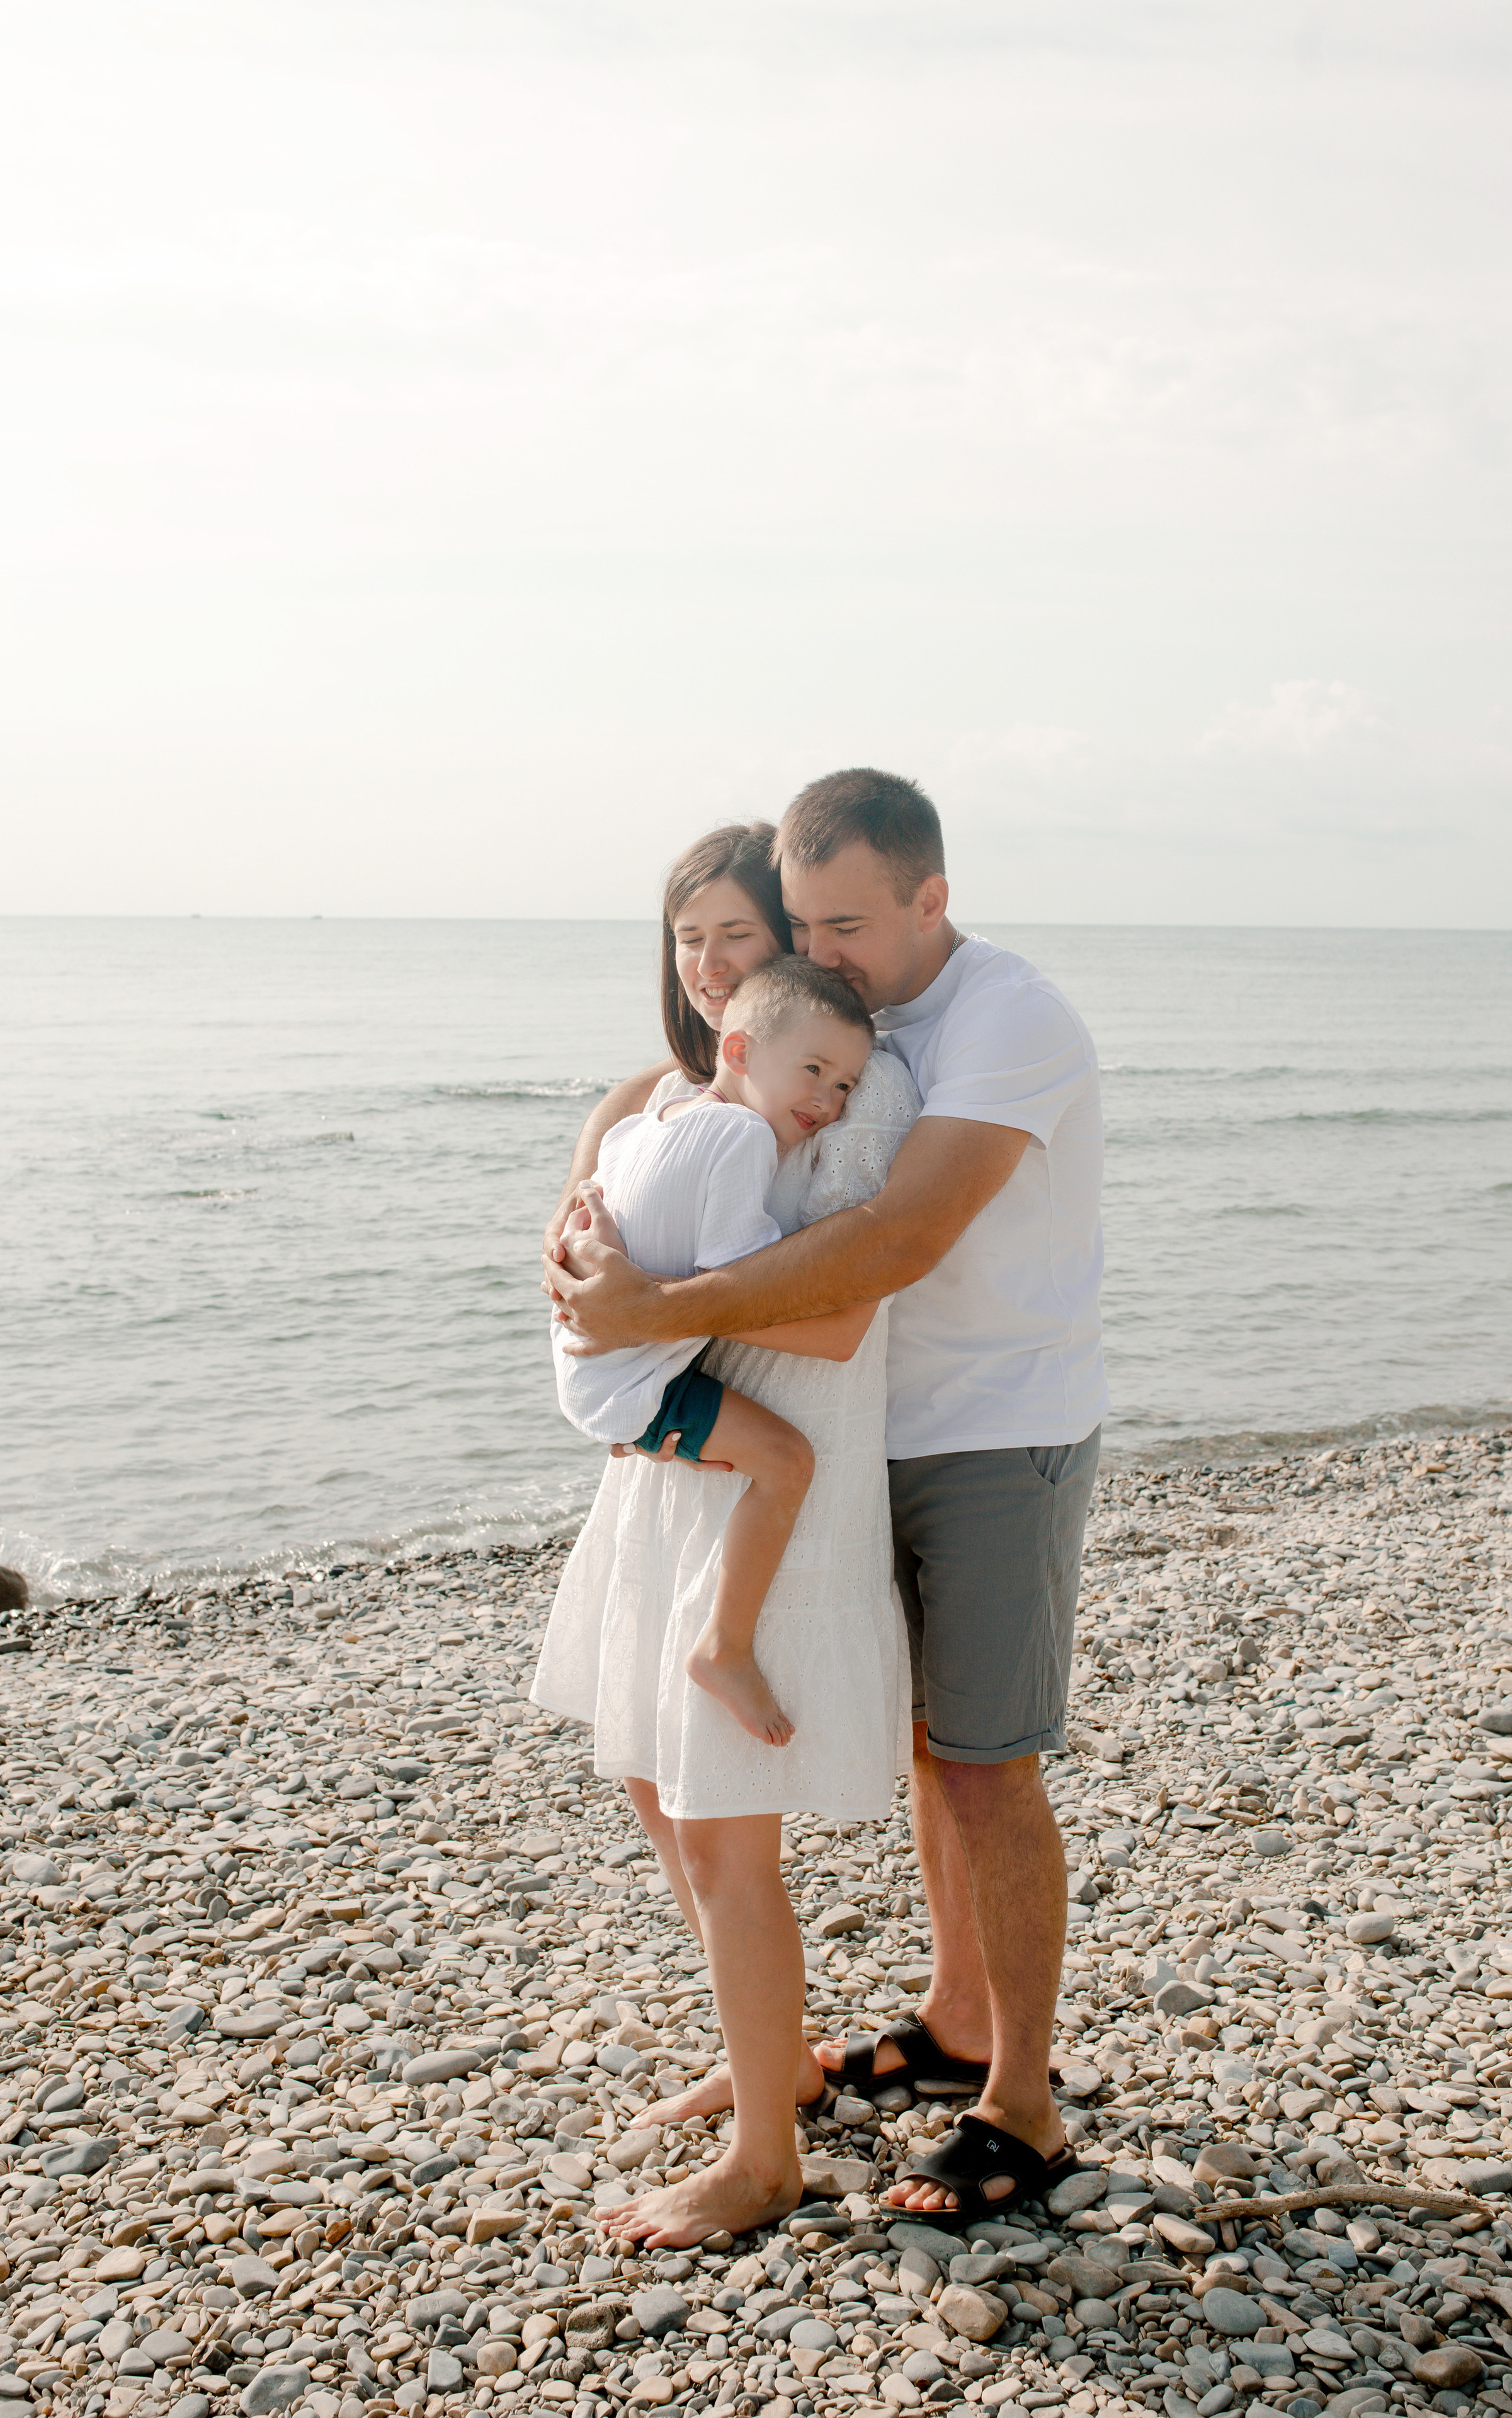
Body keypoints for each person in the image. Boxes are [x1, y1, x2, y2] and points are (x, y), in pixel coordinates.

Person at [547, 768, 1106, 2230]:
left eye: (834, 922)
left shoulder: (994, 1023)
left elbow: (895, 1242)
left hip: (990, 1425)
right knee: (934, 1752)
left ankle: (1020, 2104)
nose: (814, 951)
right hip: (861, 1441)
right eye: (796, 923)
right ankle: (953, 2019)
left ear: (931, 896)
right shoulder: (799, 1040)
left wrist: (646, 1311)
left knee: (986, 1762)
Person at [533, 820, 922, 2249]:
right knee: (654, 1786)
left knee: (722, 1825)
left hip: (768, 1483)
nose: (704, 963)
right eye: (685, 934)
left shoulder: (832, 1104)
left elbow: (834, 1312)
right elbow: (567, 1265)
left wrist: (644, 1309)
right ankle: (775, 2059)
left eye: (734, 935)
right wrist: (607, 1323)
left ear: (796, 946)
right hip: (659, 1465)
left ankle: (767, 2156)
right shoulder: (652, 1094)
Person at [550, 955, 876, 1745]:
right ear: (736, 1053)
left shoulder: (649, 1123)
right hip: (634, 1385)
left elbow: (591, 1211)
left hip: (591, 1369)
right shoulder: (738, 1139)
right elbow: (740, 1276)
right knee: (789, 1462)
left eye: (845, 1086)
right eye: (811, 1070)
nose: (828, 1101)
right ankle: (724, 1647)